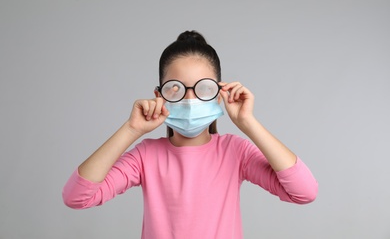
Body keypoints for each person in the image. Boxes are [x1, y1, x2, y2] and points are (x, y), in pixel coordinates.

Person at [63, 30, 318, 239]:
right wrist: (131, 130)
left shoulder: (235, 152)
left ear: (220, 92)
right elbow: (76, 197)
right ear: (159, 94)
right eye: (176, 88)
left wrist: (247, 122)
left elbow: (304, 192)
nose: (189, 98)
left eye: (203, 88)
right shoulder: (146, 156)